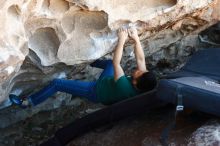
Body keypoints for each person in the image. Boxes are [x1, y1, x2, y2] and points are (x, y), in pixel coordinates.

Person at [9, 27, 157, 108]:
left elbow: (116, 62)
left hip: (97, 92)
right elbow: (141, 59)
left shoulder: (125, 85)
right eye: (142, 70)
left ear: (136, 83)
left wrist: (122, 39)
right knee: (106, 64)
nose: (138, 70)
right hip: (109, 82)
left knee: (57, 84)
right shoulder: (142, 83)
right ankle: (89, 61)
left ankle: (28, 102)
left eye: (138, 74)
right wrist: (136, 39)